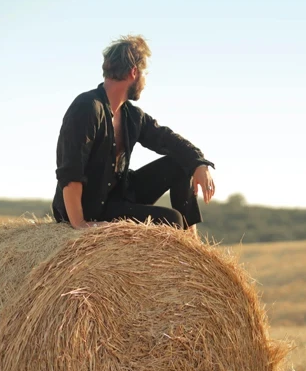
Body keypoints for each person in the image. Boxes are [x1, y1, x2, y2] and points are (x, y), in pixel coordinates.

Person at [52, 35, 216, 231]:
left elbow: (168, 140)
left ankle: (192, 248)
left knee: (181, 162)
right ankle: (182, 252)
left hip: (120, 196)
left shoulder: (132, 116)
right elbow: (70, 172)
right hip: (88, 207)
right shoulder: (87, 108)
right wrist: (80, 223)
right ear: (133, 72)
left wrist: (199, 162)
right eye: (145, 73)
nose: (146, 82)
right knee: (171, 220)